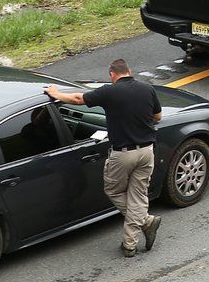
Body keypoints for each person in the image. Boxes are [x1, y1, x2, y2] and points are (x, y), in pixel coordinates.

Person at [45, 60, 162, 258]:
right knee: (138, 195)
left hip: (123, 154)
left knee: (113, 190)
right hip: (147, 151)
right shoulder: (147, 88)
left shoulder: (109, 92)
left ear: (112, 75)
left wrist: (56, 94)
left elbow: (77, 99)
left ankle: (146, 222)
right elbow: (157, 117)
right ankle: (130, 244)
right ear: (129, 71)